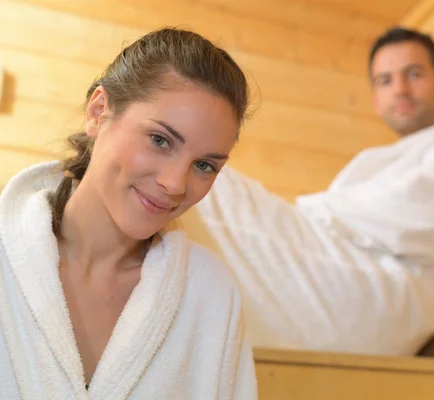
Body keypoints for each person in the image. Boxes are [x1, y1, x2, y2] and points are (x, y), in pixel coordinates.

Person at [185, 26, 434, 356]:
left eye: (414, 74)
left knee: (209, 189)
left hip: (380, 298)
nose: (400, 88)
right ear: (377, 101)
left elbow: (427, 214)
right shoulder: (373, 161)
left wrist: (315, 210)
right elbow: (338, 224)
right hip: (339, 268)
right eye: (386, 81)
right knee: (197, 179)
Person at [0, 28, 257, 399]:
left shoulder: (211, 295)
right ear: (98, 112)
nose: (175, 184)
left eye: (204, 165)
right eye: (160, 140)